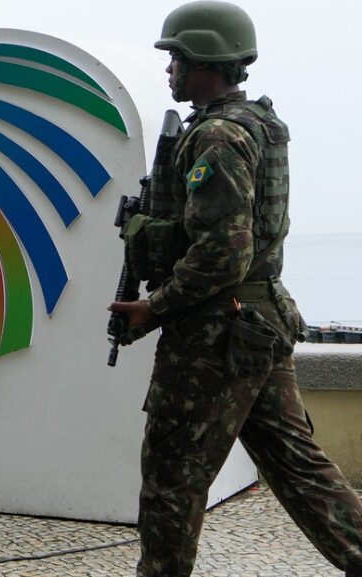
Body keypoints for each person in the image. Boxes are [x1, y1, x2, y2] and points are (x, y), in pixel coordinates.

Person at [108, 2, 362, 575]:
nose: (169, 67)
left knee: (173, 473)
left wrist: (154, 307)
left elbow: (226, 251)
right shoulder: (255, 124)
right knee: (299, 467)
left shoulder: (218, 136)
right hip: (259, 317)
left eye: (176, 55)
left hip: (216, 332)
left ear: (205, 59)